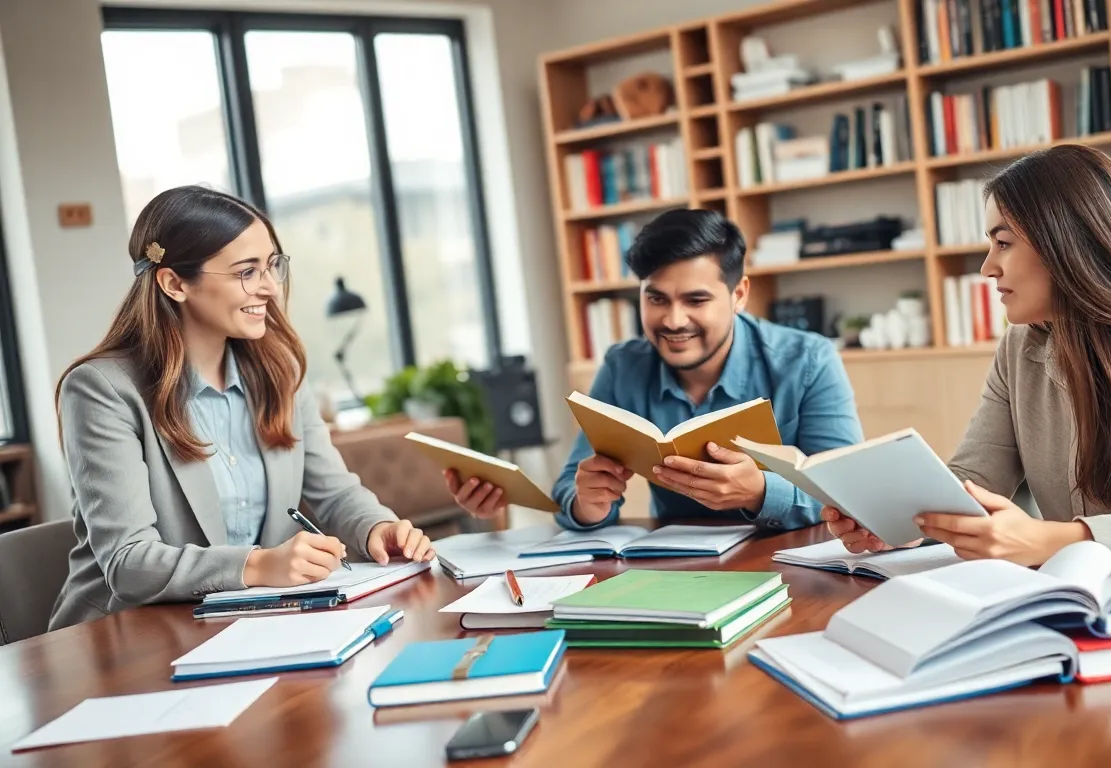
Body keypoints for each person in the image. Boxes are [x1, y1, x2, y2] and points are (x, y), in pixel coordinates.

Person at [827, 145, 1111, 569]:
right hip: (1095, 597)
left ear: (1069, 244)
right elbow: (974, 481)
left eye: (1003, 243)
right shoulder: (1021, 347)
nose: (988, 267)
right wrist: (899, 521)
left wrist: (1048, 540)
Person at [50, 186, 436, 630]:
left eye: (272, 265)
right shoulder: (102, 390)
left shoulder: (280, 370)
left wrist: (376, 528)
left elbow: (335, 494)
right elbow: (129, 563)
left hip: (248, 623)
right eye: (247, 272)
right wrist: (258, 565)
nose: (270, 287)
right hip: (126, 635)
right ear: (174, 283)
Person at [446, 208, 862, 530]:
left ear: (739, 294)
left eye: (696, 300)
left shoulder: (808, 360)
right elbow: (570, 487)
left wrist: (761, 492)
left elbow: (849, 494)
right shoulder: (623, 367)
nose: (673, 321)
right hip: (677, 570)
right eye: (656, 299)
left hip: (793, 565)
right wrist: (588, 504)